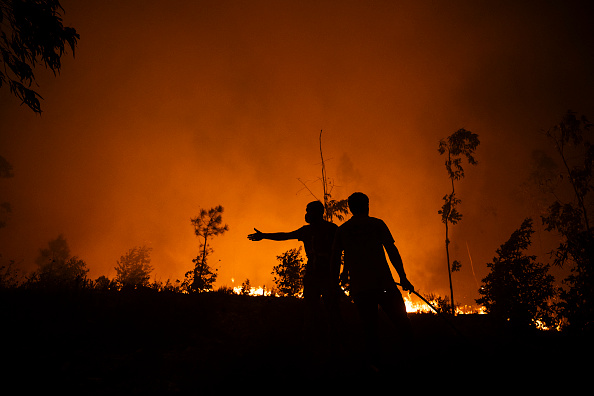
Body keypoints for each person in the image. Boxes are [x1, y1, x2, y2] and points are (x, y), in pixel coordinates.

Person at [331, 192, 414, 365]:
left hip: (361, 288)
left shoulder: (343, 230)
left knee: (370, 329)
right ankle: (411, 359)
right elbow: (392, 251)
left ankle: (375, 365)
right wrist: (403, 277)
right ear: (367, 205)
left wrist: (337, 281)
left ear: (350, 208)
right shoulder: (377, 224)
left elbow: (336, 259)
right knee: (402, 323)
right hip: (384, 284)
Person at [247, 201, 342, 344]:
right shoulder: (308, 230)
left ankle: (333, 341)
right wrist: (265, 236)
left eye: (308, 211)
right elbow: (284, 235)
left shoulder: (331, 229)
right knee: (312, 308)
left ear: (317, 213)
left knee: (330, 309)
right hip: (313, 276)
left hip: (326, 275)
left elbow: (341, 250)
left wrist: (339, 274)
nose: (306, 215)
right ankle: (314, 340)